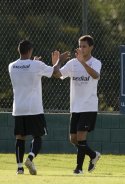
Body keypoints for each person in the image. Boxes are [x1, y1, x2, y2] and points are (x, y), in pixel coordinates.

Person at [8, 40, 69, 175]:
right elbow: (54, 72)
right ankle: (30, 157)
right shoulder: (36, 65)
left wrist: (33, 62)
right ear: (30, 51)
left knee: (20, 138)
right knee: (38, 136)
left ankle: (19, 168)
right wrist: (59, 60)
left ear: (19, 50)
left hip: (18, 108)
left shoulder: (11, 66)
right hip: (34, 108)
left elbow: (27, 71)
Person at [52, 35, 102, 174]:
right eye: (80, 46)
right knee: (73, 139)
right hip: (75, 107)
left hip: (89, 107)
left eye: (84, 46)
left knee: (80, 137)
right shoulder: (73, 63)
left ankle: (78, 168)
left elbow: (95, 76)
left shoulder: (95, 62)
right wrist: (57, 63)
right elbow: (57, 75)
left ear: (91, 47)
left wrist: (83, 63)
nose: (81, 48)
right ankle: (93, 155)